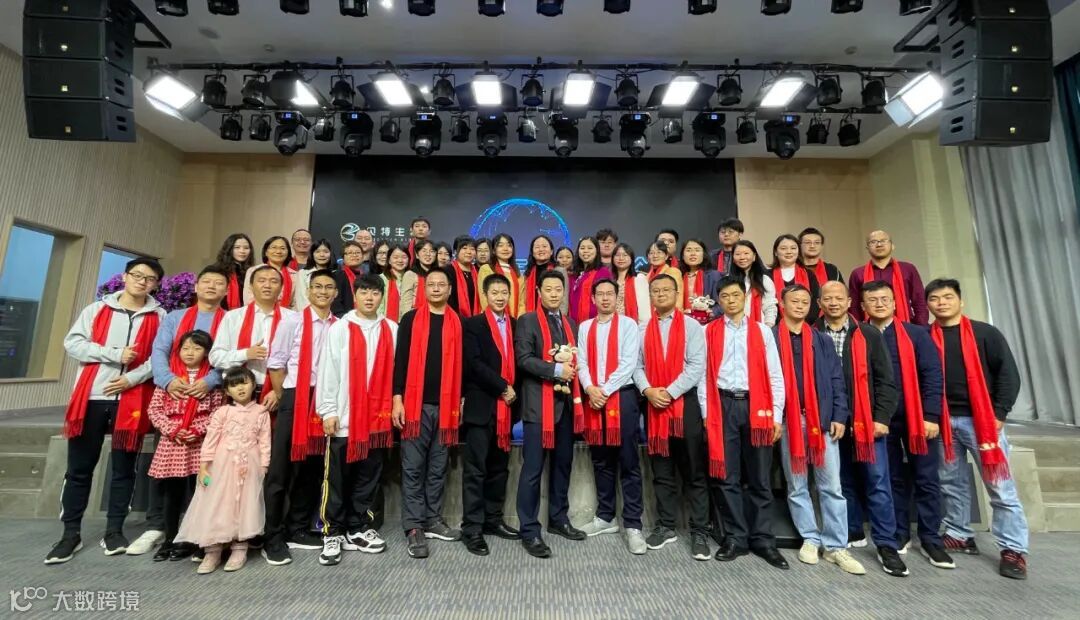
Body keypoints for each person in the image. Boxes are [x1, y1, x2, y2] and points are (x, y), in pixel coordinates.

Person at [46, 258, 167, 565]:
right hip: (93, 396)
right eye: (137, 275)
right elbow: (73, 343)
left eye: (150, 279)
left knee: (124, 469)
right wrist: (113, 355)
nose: (142, 281)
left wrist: (131, 378)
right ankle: (70, 534)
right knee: (79, 469)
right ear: (125, 277)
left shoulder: (160, 315)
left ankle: (114, 531)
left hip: (132, 399)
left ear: (155, 285)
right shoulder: (97, 310)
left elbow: (160, 357)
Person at [925, 279, 1028, 579]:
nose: (942, 303)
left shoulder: (985, 333)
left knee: (1000, 487)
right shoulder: (925, 336)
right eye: (935, 298)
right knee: (951, 482)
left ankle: (1013, 548)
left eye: (947, 297)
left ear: (961, 301)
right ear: (928, 304)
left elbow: (1008, 373)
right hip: (944, 421)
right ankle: (959, 533)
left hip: (981, 421)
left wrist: (999, 412)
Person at [130, 265, 228, 558]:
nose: (211, 286)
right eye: (206, 281)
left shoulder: (230, 319)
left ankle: (198, 538)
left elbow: (231, 357)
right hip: (174, 400)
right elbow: (159, 351)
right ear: (195, 286)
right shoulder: (175, 317)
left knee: (203, 484)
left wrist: (210, 381)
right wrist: (168, 380)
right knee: (170, 486)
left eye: (218, 283)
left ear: (226, 290)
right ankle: (168, 535)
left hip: (208, 403)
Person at [814, 281, 908, 577]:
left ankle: (886, 544)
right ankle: (851, 531)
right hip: (831, 422)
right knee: (841, 482)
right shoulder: (813, 334)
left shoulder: (867, 333)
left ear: (849, 301)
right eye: (827, 298)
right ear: (819, 303)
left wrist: (882, 418)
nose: (833, 302)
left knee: (877, 482)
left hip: (867, 421)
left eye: (838, 298)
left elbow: (886, 381)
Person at [697, 275, 788, 569]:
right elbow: (703, 376)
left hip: (756, 406)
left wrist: (776, 415)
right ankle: (736, 537)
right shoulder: (708, 332)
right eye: (724, 296)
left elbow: (775, 375)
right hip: (722, 406)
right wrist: (706, 413)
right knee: (727, 476)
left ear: (745, 297)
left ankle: (764, 540)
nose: (731, 300)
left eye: (736, 295)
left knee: (760, 477)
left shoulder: (762, 332)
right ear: (718, 301)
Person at [774, 285, 866, 575]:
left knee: (832, 487)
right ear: (782, 304)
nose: (800, 306)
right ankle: (810, 538)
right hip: (788, 422)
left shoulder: (821, 340)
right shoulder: (771, 338)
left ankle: (836, 546)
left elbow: (837, 379)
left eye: (804, 301)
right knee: (797, 486)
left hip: (822, 422)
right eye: (794, 301)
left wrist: (840, 415)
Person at [862, 280, 953, 570]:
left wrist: (931, 416)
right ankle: (899, 532)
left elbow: (933, 375)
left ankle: (930, 539)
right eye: (873, 300)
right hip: (880, 421)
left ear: (894, 302)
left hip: (917, 419)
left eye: (884, 299)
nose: (879, 304)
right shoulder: (860, 334)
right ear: (863, 305)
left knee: (926, 479)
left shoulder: (916, 334)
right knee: (891, 479)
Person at [315, 274, 399, 566]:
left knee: (368, 477)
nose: (369, 298)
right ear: (355, 295)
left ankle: (358, 527)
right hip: (344, 417)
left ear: (381, 297)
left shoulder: (391, 329)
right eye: (364, 292)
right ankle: (333, 532)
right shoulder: (340, 328)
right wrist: (328, 410)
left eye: (375, 293)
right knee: (338, 479)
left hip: (377, 420)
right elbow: (328, 370)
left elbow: (397, 374)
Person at [260, 269, 339, 565]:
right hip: (296, 396)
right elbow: (276, 362)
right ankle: (272, 536)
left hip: (324, 398)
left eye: (328, 287)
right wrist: (287, 398)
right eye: (317, 286)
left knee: (312, 467)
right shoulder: (292, 321)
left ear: (336, 293)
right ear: (308, 291)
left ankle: (297, 527)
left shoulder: (339, 326)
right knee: (282, 468)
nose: (322, 291)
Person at [634, 274, 709, 560]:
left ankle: (699, 530)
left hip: (683, 405)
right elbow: (636, 366)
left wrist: (669, 392)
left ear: (677, 294)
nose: (661, 294)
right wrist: (648, 390)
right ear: (650, 295)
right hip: (654, 404)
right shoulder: (643, 329)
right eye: (656, 290)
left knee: (693, 470)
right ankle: (666, 526)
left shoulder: (692, 326)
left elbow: (696, 365)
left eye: (667, 290)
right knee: (661, 471)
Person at [392, 268, 464, 559]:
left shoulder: (457, 322)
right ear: (424, 289)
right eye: (430, 284)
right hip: (415, 407)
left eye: (440, 285)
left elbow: (462, 366)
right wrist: (397, 399)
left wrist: (461, 400)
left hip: (446, 409)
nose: (435, 288)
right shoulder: (410, 319)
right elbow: (400, 360)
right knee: (413, 468)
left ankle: (433, 520)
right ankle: (414, 526)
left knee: (438, 468)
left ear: (449, 289)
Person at [515, 271, 586, 558]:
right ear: (539, 292)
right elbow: (523, 359)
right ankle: (529, 530)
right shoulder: (527, 321)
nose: (555, 294)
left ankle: (558, 519)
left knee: (563, 466)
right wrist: (557, 370)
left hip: (566, 406)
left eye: (559, 289)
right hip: (538, 407)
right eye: (549, 289)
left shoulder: (571, 323)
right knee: (532, 470)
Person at [175, 367, 272, 574]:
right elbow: (210, 440)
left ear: (253, 385)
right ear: (227, 391)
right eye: (234, 385)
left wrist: (263, 466)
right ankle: (213, 550)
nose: (240, 388)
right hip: (222, 465)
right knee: (218, 503)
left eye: (244, 382)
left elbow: (265, 442)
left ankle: (240, 548)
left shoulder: (261, 412)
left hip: (250, 465)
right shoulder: (222, 412)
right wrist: (204, 466)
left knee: (245, 505)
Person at [576, 278, 645, 554]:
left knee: (628, 461)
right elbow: (581, 362)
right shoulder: (585, 327)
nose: (605, 298)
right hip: (594, 397)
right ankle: (606, 517)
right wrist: (590, 389)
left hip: (621, 396)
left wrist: (602, 390)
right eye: (600, 294)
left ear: (617, 298)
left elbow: (629, 363)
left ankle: (633, 525)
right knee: (601, 460)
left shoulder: (628, 325)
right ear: (593, 298)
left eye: (610, 294)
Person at [146, 330, 227, 562]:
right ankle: (171, 538)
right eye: (186, 348)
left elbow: (217, 412)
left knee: (201, 492)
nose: (190, 353)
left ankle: (196, 539)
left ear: (207, 353)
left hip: (200, 444)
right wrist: (173, 429)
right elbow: (155, 410)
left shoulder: (211, 382)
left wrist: (197, 430)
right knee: (172, 494)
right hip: (173, 443)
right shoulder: (169, 379)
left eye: (197, 348)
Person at [460, 274, 521, 556]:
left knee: (499, 469)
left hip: (506, 410)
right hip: (482, 406)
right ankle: (472, 528)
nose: (499, 297)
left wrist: (511, 393)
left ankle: (492, 520)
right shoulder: (473, 324)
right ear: (485, 295)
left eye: (503, 292)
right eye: (494, 292)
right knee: (476, 470)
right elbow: (473, 364)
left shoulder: (516, 325)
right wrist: (503, 387)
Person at [210, 265, 298, 414]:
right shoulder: (233, 317)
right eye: (261, 280)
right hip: (240, 394)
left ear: (281, 287)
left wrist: (278, 390)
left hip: (280, 393)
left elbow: (298, 362)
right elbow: (215, 357)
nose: (267, 285)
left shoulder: (293, 319)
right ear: (251, 286)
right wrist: (245, 354)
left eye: (274, 281)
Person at [849, 230, 928, 325]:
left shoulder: (908, 269)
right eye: (873, 242)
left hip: (906, 326)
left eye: (883, 241)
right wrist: (858, 329)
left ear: (892, 246)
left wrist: (921, 327)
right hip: (870, 328)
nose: (879, 245)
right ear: (867, 248)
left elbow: (919, 301)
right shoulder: (858, 273)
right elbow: (855, 307)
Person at [769, 234, 821, 323]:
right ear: (776, 252)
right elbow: (767, 303)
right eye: (783, 248)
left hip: (806, 324)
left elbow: (815, 301)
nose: (789, 252)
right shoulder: (767, 275)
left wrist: (804, 322)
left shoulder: (809, 274)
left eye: (793, 248)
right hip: (776, 325)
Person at [730, 240, 777, 327]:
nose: (742, 257)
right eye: (738, 254)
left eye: (746, 253)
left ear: (754, 256)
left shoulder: (764, 280)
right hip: (733, 327)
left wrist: (768, 327)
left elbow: (769, 306)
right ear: (733, 258)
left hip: (760, 327)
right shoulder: (727, 280)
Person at [477, 233, 524, 318]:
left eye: (509, 245)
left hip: (515, 320)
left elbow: (522, 302)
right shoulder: (486, 269)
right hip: (493, 319)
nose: (505, 249)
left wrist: (518, 320)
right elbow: (484, 298)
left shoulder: (518, 273)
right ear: (493, 250)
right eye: (500, 245)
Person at [244, 236, 297, 309]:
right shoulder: (254, 271)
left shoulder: (294, 275)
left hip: (286, 314)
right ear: (266, 252)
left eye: (283, 248)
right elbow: (248, 298)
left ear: (288, 252)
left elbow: (295, 303)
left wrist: (285, 314)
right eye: (274, 247)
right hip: (257, 313)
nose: (278, 251)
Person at [570, 236, 613, 324]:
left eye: (590, 248)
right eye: (582, 248)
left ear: (597, 251)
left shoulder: (602, 272)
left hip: (596, 323)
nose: (585, 251)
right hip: (574, 324)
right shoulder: (574, 274)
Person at [611, 243, 649, 326]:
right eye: (617, 255)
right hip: (612, 325)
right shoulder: (609, 281)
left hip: (631, 326)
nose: (621, 258)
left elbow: (644, 310)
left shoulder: (638, 279)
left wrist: (643, 328)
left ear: (631, 258)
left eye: (625, 255)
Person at [215, 233, 254, 311]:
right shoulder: (218, 270)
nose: (242, 251)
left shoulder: (252, 271)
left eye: (246, 248)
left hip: (246, 312)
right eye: (237, 247)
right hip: (222, 312)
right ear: (229, 249)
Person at [295, 239, 337, 311]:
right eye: (317, 251)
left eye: (326, 252)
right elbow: (301, 299)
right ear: (312, 254)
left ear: (331, 254)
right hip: (308, 314)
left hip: (333, 313)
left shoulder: (337, 273)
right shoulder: (303, 273)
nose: (322, 255)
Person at [680, 239, 720, 311]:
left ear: (703, 255)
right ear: (683, 256)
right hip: (681, 316)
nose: (693, 253)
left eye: (697, 250)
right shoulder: (678, 276)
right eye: (688, 250)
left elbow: (721, 304)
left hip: (707, 317)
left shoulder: (714, 276)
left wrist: (711, 312)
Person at [380, 244, 417, 321]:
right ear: (389, 260)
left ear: (409, 260)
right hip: (386, 322)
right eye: (396, 257)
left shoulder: (414, 278)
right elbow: (379, 306)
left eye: (404, 257)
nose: (400, 260)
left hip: (408, 320)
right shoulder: (381, 279)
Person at [331, 241, 368, 317]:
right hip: (344, 319)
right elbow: (335, 303)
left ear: (363, 257)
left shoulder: (367, 277)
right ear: (343, 258)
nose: (354, 255)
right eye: (350, 253)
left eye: (357, 252)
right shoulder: (337, 276)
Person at [523, 235, 558, 314]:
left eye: (544, 246)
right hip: (531, 316)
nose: (541, 249)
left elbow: (564, 300)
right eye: (537, 247)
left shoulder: (558, 270)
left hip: (552, 315)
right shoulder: (528, 274)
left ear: (551, 251)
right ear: (532, 253)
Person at [644, 240, 683, 309]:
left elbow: (677, 299)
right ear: (648, 257)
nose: (655, 256)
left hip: (667, 313)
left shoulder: (672, 272)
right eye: (651, 253)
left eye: (659, 252)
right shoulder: (646, 276)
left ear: (666, 256)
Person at [448, 235, 479, 317]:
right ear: (455, 251)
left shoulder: (477, 272)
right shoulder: (448, 271)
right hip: (453, 317)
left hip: (475, 319)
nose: (469, 252)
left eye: (472, 249)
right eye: (464, 248)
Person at [408, 240, 438, 312]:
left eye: (432, 251)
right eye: (424, 251)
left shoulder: (439, 275)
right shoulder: (410, 274)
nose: (428, 254)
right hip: (414, 315)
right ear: (417, 255)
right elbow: (406, 302)